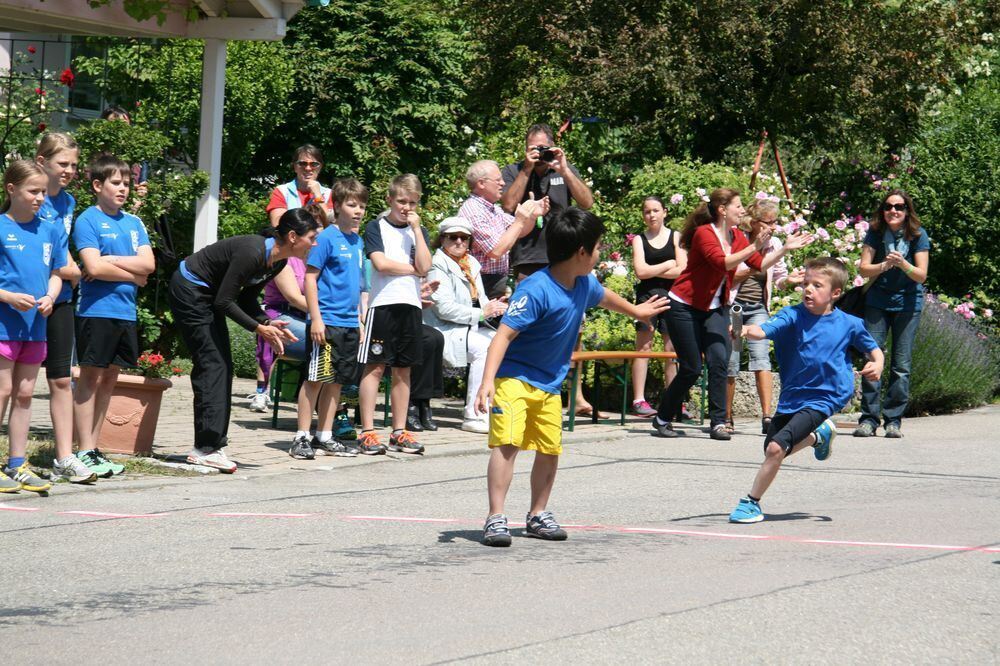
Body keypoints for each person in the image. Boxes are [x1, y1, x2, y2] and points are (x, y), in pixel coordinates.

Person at [474, 207, 668, 547]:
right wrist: (487, 381)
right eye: (597, 247)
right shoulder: (535, 290)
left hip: (549, 383)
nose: (599, 253)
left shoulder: (584, 283)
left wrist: (637, 311)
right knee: (508, 445)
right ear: (582, 252)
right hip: (514, 378)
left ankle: (537, 515)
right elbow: (502, 336)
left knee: (549, 449)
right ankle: (495, 518)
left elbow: (605, 297)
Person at [728, 257, 884, 523]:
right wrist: (746, 331)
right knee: (771, 447)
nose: (808, 289)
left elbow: (874, 350)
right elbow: (763, 330)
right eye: (806, 284)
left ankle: (750, 503)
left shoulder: (849, 324)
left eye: (817, 285)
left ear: (835, 293)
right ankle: (817, 437)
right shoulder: (791, 314)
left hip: (828, 394)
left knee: (776, 449)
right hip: (793, 395)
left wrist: (877, 364)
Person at [651, 188, 813, 441]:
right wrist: (754, 247)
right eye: (737, 206)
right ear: (722, 210)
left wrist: (784, 249)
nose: (742, 211)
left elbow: (758, 265)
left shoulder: (736, 235)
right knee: (692, 368)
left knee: (719, 360)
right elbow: (722, 263)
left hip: (715, 308)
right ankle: (662, 417)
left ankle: (718, 422)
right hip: (684, 306)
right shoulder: (705, 234)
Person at [169, 209, 319, 472]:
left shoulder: (278, 261)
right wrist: (259, 328)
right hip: (189, 289)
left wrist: (268, 322)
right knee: (212, 364)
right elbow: (224, 301)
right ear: (293, 237)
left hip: (208, 294)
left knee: (223, 366)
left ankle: (212, 444)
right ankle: (205, 448)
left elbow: (246, 299)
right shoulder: (252, 252)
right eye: (312, 237)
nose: (315, 243)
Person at [500, 123, 598, 417]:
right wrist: (527, 170)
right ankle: (522, 386)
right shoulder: (514, 170)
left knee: (572, 328)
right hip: (529, 259)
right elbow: (507, 205)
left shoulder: (562, 169)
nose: (540, 154)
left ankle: (576, 395)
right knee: (524, 326)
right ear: (526, 147)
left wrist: (565, 169)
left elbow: (587, 202)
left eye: (544, 148)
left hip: (566, 261)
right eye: (534, 148)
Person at [72, 154, 156, 479]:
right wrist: (131, 273)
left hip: (125, 312)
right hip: (96, 311)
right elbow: (92, 267)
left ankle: (94, 448)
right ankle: (82, 449)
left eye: (126, 183)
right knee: (90, 379)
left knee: (109, 379)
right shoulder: (88, 220)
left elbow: (148, 266)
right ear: (97, 185)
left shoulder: (134, 223)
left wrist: (112, 263)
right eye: (116, 183)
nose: (123, 189)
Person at [0, 160, 67, 494]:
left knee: (25, 394)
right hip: (3, 325)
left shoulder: (50, 229)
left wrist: (51, 297)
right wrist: (8, 297)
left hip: (34, 327)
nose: (41, 197)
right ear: (11, 190)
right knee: (3, 390)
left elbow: (57, 272)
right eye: (33, 191)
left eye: (43, 191)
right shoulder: (0, 226)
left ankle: (17, 463)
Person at [290, 180, 367, 460]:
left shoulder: (358, 241)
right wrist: (317, 319)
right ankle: (301, 436)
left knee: (336, 381)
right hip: (327, 321)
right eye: (351, 204)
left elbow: (358, 286)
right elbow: (310, 277)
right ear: (336, 206)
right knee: (316, 379)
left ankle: (324, 435)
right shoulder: (325, 239)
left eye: (361, 205)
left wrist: (359, 320)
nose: (358, 210)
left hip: (348, 323)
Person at [34, 133, 95, 484]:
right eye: (62, 164)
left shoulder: (68, 202)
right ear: (41, 162)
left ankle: (64, 457)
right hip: (25, 299)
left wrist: (69, 270)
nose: (69, 170)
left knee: (60, 378)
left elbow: (61, 250)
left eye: (74, 164)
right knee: (13, 383)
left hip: (60, 300)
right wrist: (72, 270)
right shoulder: (29, 198)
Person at [357, 174, 432, 455]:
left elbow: (425, 265)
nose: (406, 207)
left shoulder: (418, 231)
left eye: (412, 202)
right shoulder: (376, 226)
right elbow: (380, 264)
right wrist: (413, 269)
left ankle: (399, 431)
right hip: (383, 304)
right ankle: (367, 431)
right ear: (390, 199)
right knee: (375, 366)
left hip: (410, 304)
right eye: (401, 201)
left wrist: (416, 231)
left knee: (404, 369)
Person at [854, 190, 930, 438]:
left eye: (899, 206)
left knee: (901, 365)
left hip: (908, 304)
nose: (893, 211)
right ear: (882, 210)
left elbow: (921, 275)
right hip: (877, 302)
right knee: (872, 359)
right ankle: (868, 419)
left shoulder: (918, 235)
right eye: (888, 206)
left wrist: (903, 264)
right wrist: (884, 265)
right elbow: (864, 269)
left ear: (907, 210)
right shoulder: (875, 234)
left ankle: (893, 420)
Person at [724, 200, 803, 434]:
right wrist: (755, 263)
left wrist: (790, 281)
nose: (773, 227)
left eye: (775, 222)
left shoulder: (774, 243)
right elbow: (729, 276)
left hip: (758, 307)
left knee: (761, 359)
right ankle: (726, 417)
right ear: (755, 222)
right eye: (769, 222)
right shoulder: (736, 239)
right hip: (733, 306)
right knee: (731, 361)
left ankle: (767, 417)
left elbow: (778, 277)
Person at [424, 217, 508, 434]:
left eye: (465, 238)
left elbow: (479, 300)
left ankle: (491, 408)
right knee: (486, 347)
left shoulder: (471, 264)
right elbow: (443, 309)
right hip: (443, 330)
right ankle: (474, 414)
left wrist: (493, 306)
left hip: (468, 327)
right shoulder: (437, 264)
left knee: (502, 343)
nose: (460, 242)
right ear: (442, 239)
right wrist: (482, 313)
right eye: (454, 237)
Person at [247, 203, 325, 412]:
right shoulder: (286, 258)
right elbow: (293, 297)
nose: (317, 237)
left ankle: (325, 399)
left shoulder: (317, 258)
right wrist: (324, 314)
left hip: (306, 314)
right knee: (325, 340)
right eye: (313, 230)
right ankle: (264, 391)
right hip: (281, 311)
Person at [630, 196, 686, 417]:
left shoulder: (676, 236)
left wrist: (655, 268)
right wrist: (667, 264)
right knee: (644, 347)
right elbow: (640, 272)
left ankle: (674, 400)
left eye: (655, 210)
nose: (651, 215)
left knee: (671, 349)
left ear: (665, 212)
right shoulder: (639, 240)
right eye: (647, 211)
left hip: (673, 296)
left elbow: (682, 269)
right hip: (647, 297)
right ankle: (639, 400)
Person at [458, 159, 548, 298]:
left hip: (499, 279)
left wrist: (532, 216)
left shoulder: (493, 209)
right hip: (482, 281)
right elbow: (495, 251)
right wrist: (519, 220)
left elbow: (520, 231)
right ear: (481, 183)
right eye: (497, 180)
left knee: (540, 286)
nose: (503, 183)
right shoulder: (473, 210)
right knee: (533, 294)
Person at [265, 144, 332, 227]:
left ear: (320, 167)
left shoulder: (329, 194)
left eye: (314, 164)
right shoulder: (282, 191)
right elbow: (277, 224)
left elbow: (332, 226)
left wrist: (318, 196)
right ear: (295, 167)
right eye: (302, 163)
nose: (308, 168)